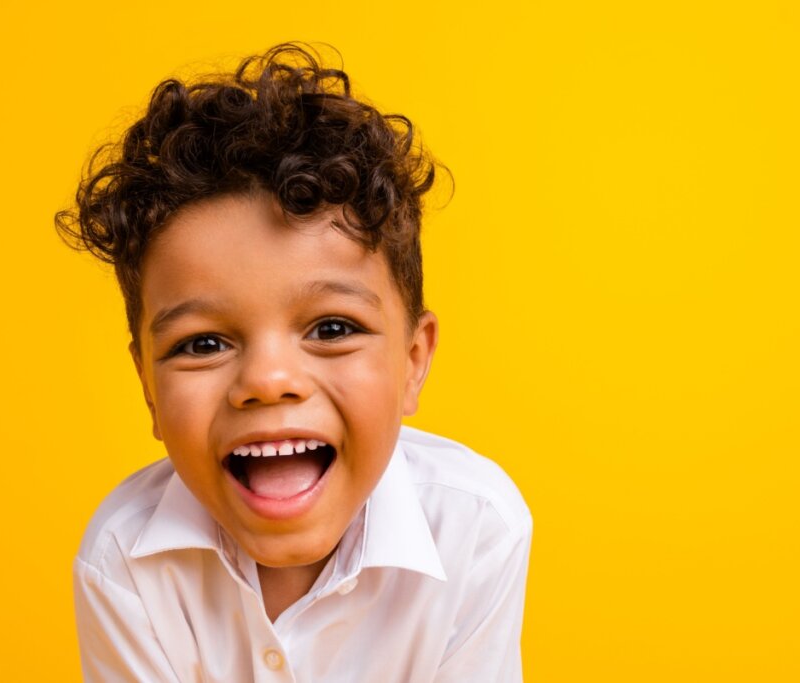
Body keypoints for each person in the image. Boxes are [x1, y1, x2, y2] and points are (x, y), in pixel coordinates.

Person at [56, 42, 532, 682]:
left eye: (332, 328)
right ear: (147, 386)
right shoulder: (123, 562)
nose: (267, 382)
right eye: (203, 344)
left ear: (414, 361)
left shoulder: (476, 526)